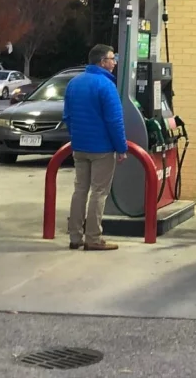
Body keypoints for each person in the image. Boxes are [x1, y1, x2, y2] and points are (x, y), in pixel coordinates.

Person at [63, 44, 128, 251]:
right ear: (102, 62)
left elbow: (67, 116)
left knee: (80, 190)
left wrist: (76, 137)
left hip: (79, 147)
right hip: (102, 149)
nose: (114, 62)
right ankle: (93, 238)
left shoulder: (74, 83)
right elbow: (114, 121)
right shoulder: (106, 85)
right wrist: (121, 147)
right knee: (99, 192)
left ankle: (75, 236)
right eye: (112, 58)